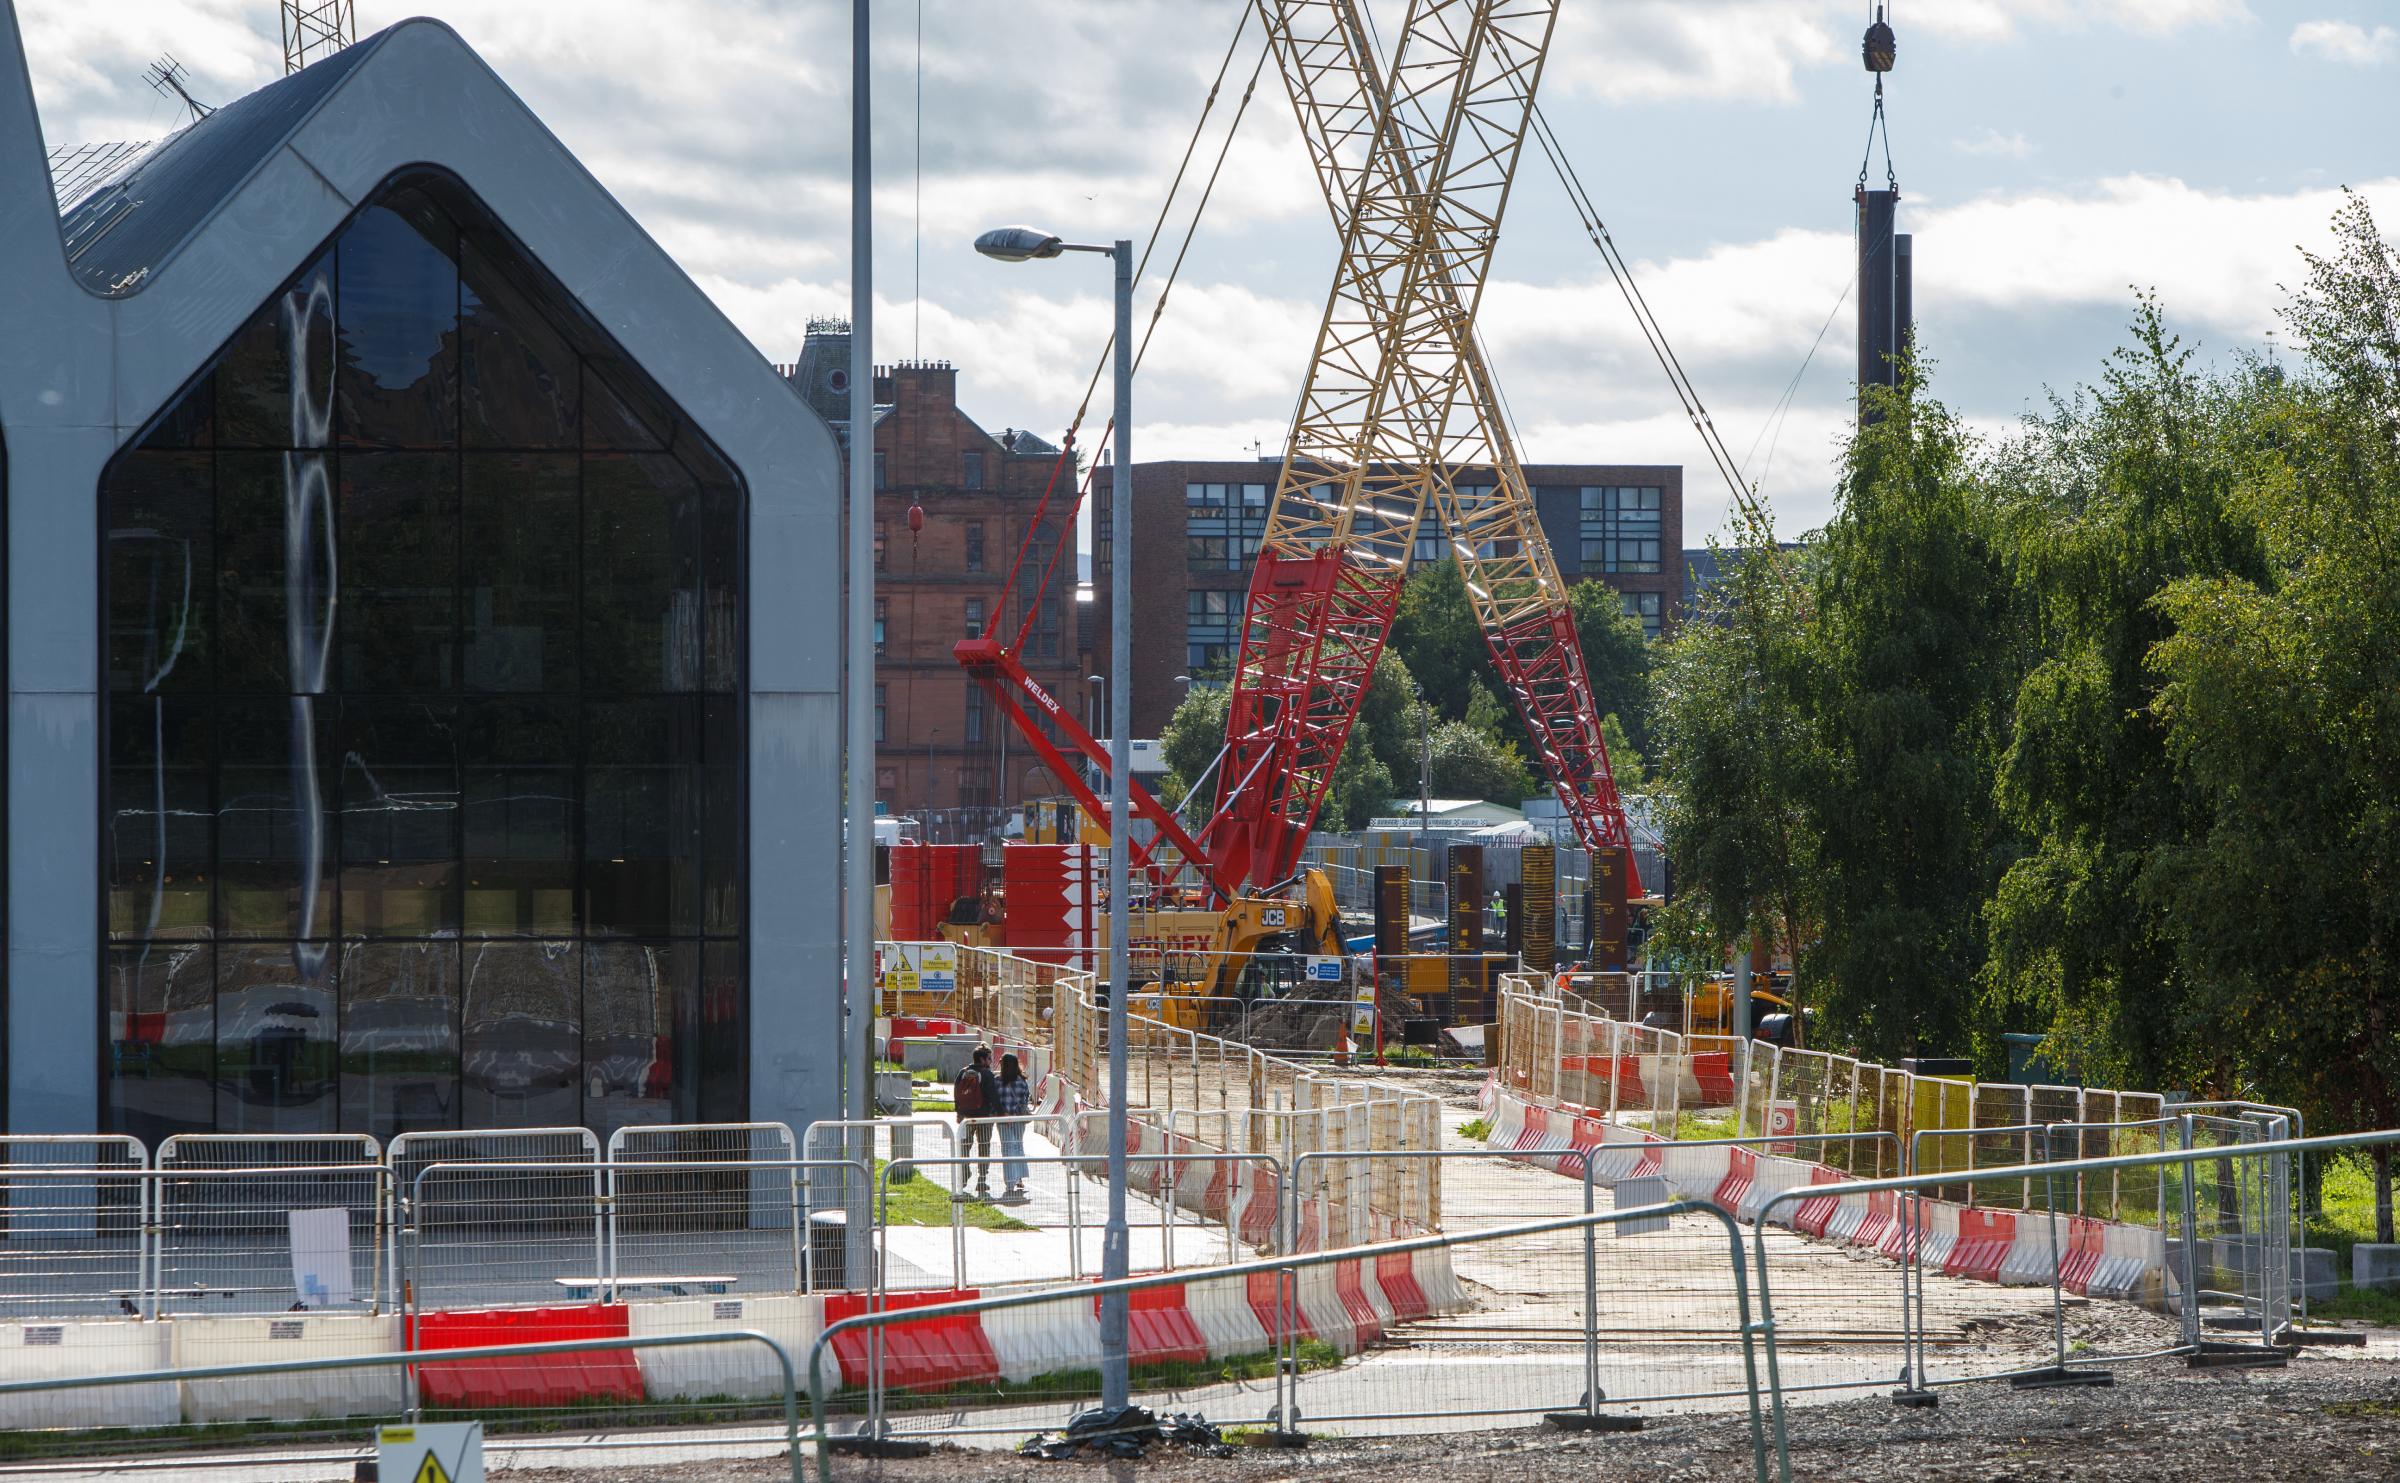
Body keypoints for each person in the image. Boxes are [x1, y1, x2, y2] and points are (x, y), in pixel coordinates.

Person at [952, 1046, 1000, 1202]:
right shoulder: (986, 1074)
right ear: (982, 1059)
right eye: (989, 1058)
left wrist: (958, 1112)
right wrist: (1001, 1113)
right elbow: (993, 1096)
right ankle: (982, 1179)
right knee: (984, 1146)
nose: (991, 1061)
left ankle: (964, 1175)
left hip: (966, 1117)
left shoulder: (962, 1072)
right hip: (984, 1117)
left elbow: (957, 1094)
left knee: (965, 1146)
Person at [996, 1053, 1033, 1201]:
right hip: (1019, 1119)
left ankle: (1009, 1182)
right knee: (1018, 1146)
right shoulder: (1022, 1081)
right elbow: (1025, 1100)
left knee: (1007, 1149)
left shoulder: (997, 1081)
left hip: (1003, 1119)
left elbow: (995, 1100)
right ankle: (1019, 1178)